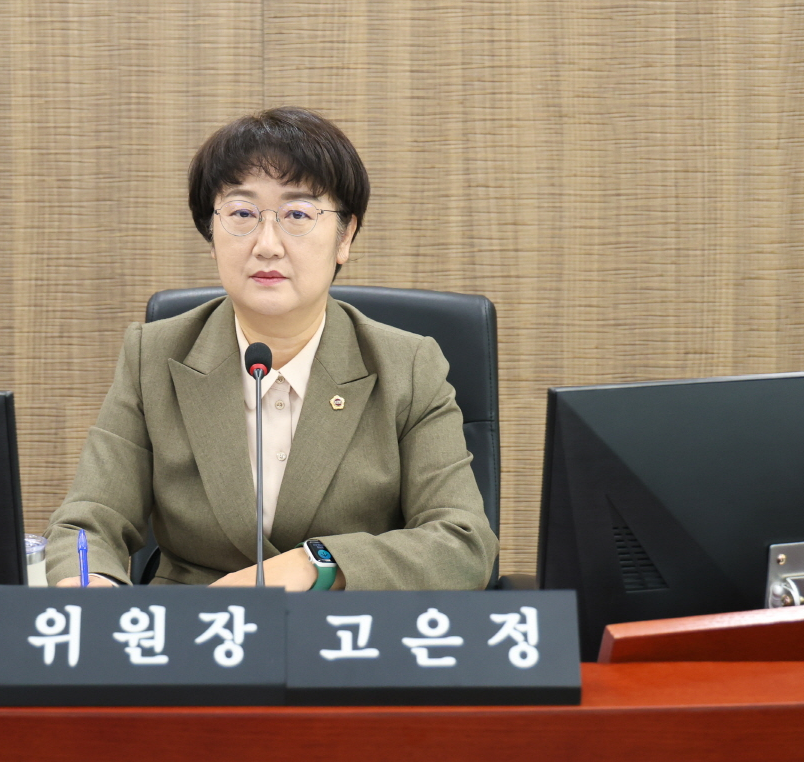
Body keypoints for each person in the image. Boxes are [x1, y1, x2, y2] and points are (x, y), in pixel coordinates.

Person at [44, 107, 496, 590]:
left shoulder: (407, 367)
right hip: (195, 625)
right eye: (241, 213)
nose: (267, 244)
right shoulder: (153, 356)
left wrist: (316, 564)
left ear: (345, 236)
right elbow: (88, 523)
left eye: (297, 215)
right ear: (211, 234)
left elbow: (462, 543)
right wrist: (90, 591)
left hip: (344, 625)